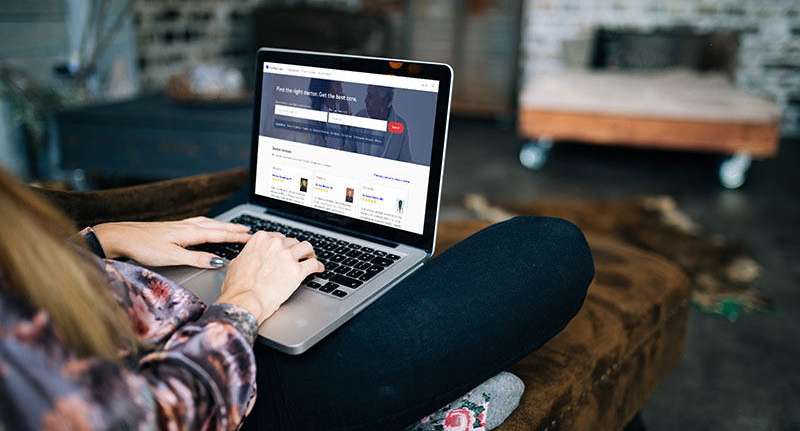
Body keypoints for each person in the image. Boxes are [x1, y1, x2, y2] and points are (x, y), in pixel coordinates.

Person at [0, 168, 594, 430]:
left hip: (148, 307)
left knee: (272, 203)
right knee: (550, 247)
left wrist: (97, 243)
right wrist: (245, 302)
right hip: (237, 388)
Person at [354, 85, 412, 163]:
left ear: (385, 101)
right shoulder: (359, 117)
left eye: (370, 96)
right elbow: (347, 150)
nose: (365, 100)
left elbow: (405, 164)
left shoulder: (401, 126)